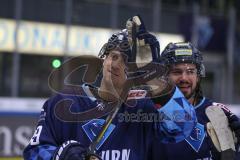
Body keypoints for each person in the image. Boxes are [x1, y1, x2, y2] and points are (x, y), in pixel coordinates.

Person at [23, 17, 197, 160]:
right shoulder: (64, 101)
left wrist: (152, 76)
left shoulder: (143, 107)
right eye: (113, 56)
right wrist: (60, 156)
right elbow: (33, 152)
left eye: (125, 60)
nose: (115, 64)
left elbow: (183, 128)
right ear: (104, 59)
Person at [152, 42, 240, 160]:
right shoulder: (150, 113)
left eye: (190, 72)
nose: (184, 78)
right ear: (164, 76)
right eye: (177, 72)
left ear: (198, 76)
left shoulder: (218, 114)